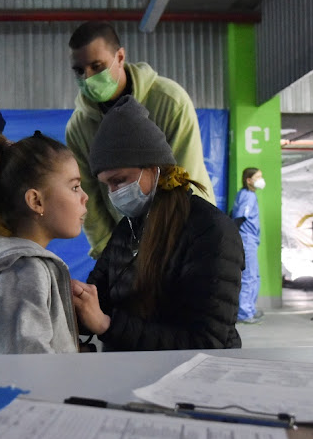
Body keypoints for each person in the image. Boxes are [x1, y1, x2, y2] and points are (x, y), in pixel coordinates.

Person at [71, 96, 243, 351]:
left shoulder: (211, 232)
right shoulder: (128, 229)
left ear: (155, 169)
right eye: (106, 185)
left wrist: (107, 325)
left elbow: (207, 342)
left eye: (119, 180)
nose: (114, 193)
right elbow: (101, 295)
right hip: (133, 371)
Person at [65, 21, 216, 259]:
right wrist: (113, 255)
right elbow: (90, 198)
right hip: (128, 245)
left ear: (120, 57)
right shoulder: (78, 128)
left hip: (184, 234)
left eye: (97, 66)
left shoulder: (169, 102)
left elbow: (184, 177)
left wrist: (172, 249)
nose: (88, 77)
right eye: (79, 70)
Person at [0, 132, 88, 354]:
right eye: (74, 187)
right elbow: (30, 372)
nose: (85, 197)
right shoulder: (21, 272)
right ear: (36, 201)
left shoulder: (18, 266)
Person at [231, 167, 265, 324]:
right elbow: (239, 218)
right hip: (247, 239)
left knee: (254, 276)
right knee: (249, 277)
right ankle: (244, 312)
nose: (261, 180)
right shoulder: (248, 197)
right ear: (249, 180)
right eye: (257, 177)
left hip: (250, 239)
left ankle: (249, 308)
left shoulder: (246, 195)